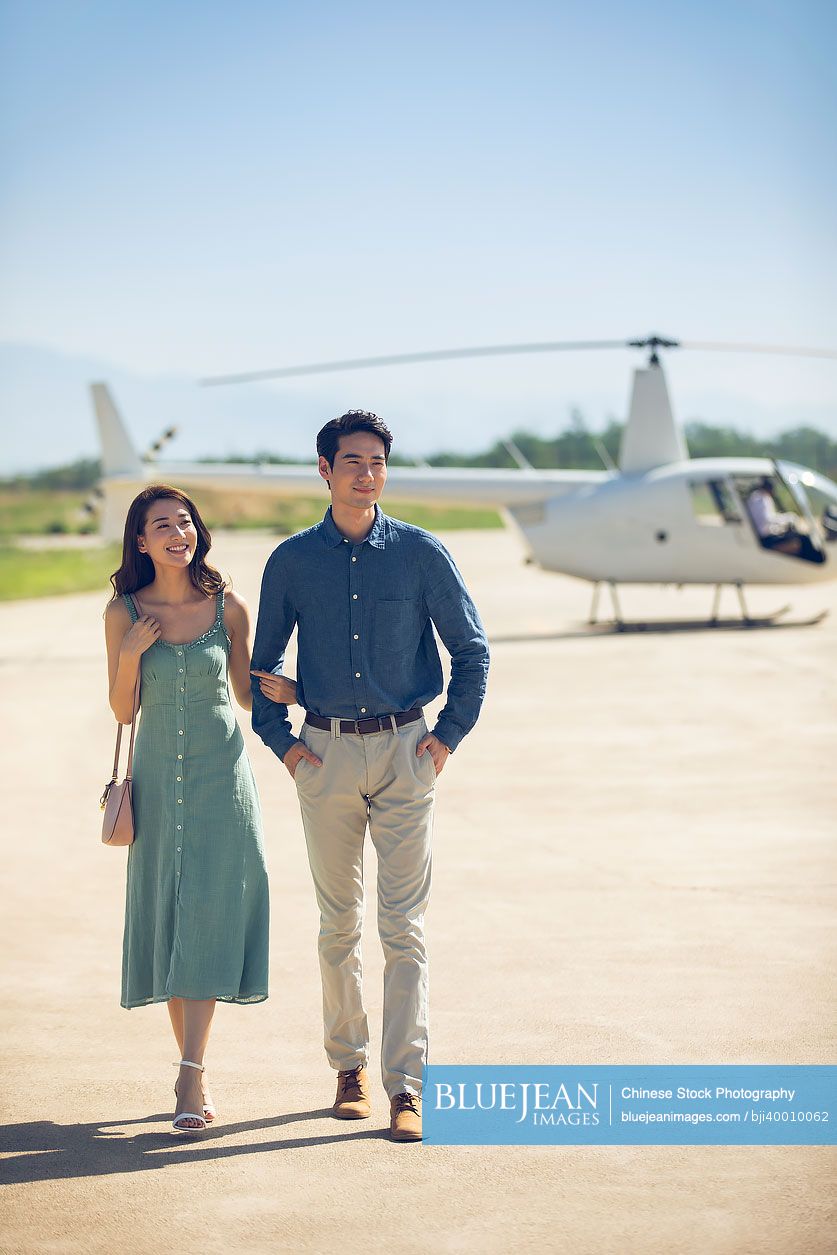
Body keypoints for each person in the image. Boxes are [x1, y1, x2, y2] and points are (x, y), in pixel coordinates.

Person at [250, 410, 490, 1142]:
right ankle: (348, 1068)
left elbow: (471, 652)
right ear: (323, 469)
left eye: (377, 461)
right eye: (351, 460)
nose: (366, 473)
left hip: (404, 752)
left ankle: (406, 1085)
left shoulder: (420, 553)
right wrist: (286, 745)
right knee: (337, 924)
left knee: (403, 928)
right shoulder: (291, 561)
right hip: (323, 755)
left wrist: (445, 737)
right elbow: (262, 670)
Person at [104, 485, 294, 1133]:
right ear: (141, 540)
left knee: (210, 911)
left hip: (222, 782)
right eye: (161, 524)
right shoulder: (123, 610)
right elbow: (123, 710)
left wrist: (286, 687)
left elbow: (243, 694)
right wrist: (131, 652)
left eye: (184, 521)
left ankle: (191, 1070)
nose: (176, 531)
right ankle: (190, 1069)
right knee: (171, 911)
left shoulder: (227, 606)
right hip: (158, 781)